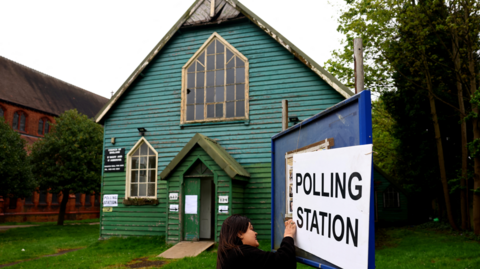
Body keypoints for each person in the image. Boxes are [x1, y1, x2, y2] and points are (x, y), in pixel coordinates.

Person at [217, 215, 297, 269]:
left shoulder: (229, 254)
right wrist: (288, 235)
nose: (255, 233)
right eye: (251, 229)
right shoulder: (242, 253)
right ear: (240, 234)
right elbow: (283, 262)